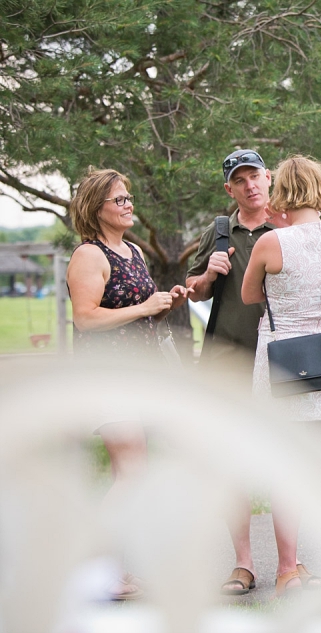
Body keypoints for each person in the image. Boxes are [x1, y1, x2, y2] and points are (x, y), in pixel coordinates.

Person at [185, 150, 310, 596]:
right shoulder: (219, 232)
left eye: (255, 176)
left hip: (284, 357)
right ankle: (243, 566)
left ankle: (290, 565)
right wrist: (207, 276)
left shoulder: (291, 226)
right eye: (240, 180)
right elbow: (194, 291)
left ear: (268, 177)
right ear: (230, 190)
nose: (250, 185)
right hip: (228, 361)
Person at [66, 168, 191, 599]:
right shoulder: (89, 256)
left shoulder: (134, 251)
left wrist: (163, 304)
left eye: (129, 198)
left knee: (130, 473)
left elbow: (138, 310)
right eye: (119, 200)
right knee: (132, 471)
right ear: (96, 208)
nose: (128, 204)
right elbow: (86, 318)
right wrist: (142, 309)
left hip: (139, 374)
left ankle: (112, 574)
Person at [241, 155, 321, 596]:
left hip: (282, 359)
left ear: (280, 193)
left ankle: (287, 567)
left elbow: (252, 294)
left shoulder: (271, 243)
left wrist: (276, 226)